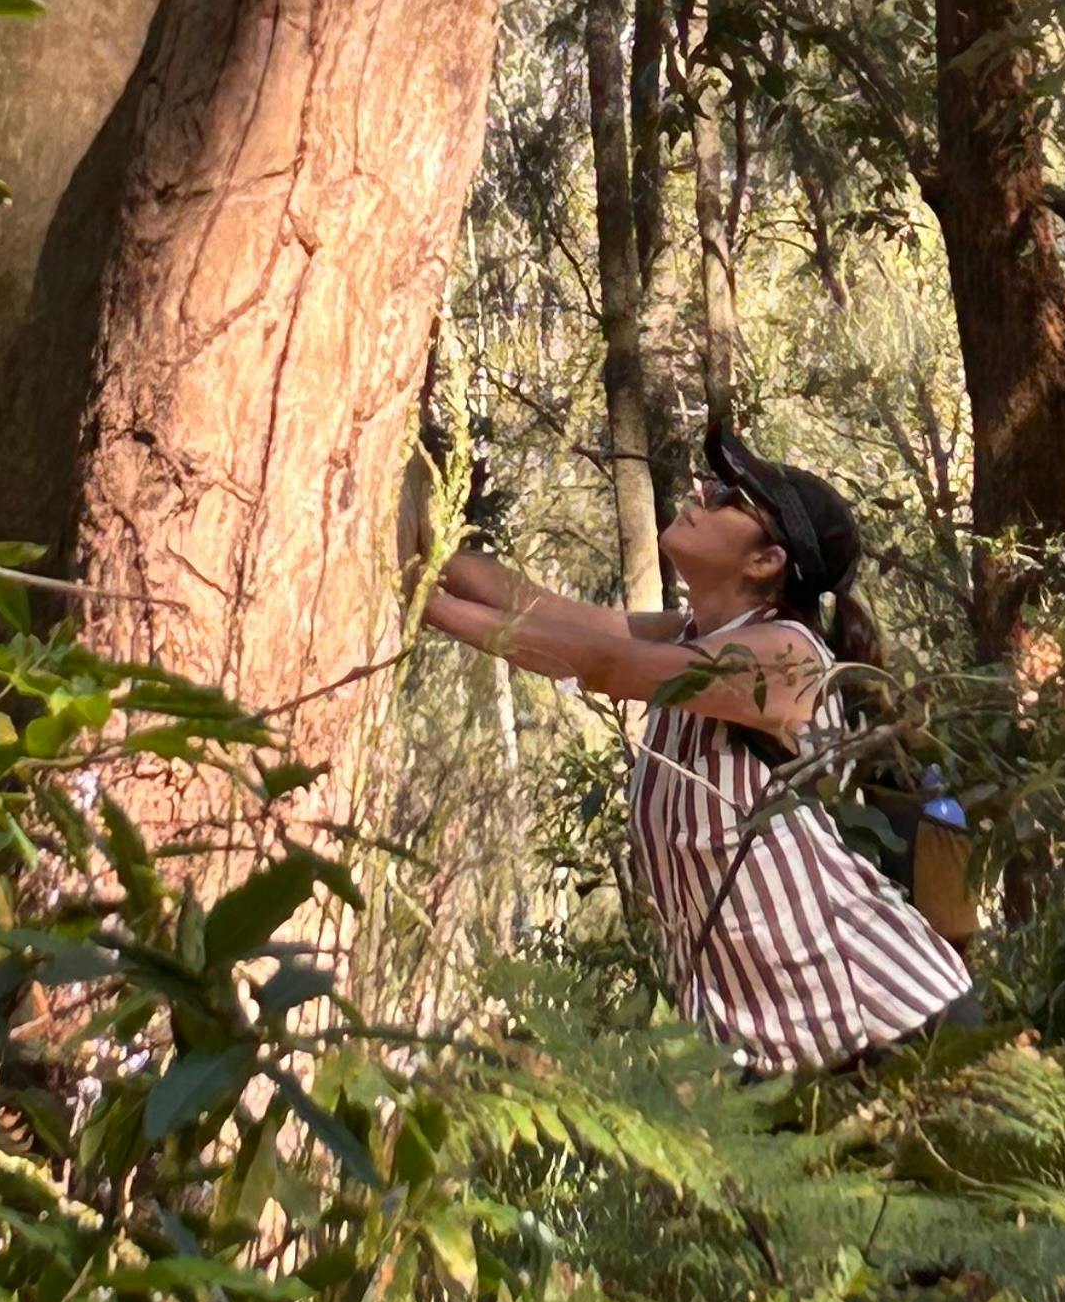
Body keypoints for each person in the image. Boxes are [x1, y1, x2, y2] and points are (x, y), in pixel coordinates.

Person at [418, 427, 975, 1078]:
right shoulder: (693, 635)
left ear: (766, 561)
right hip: (779, 1057)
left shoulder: (786, 656)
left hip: (887, 1028)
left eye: (732, 499)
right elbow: (541, 610)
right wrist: (424, 541)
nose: (704, 493)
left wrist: (424, 603)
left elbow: (605, 662)